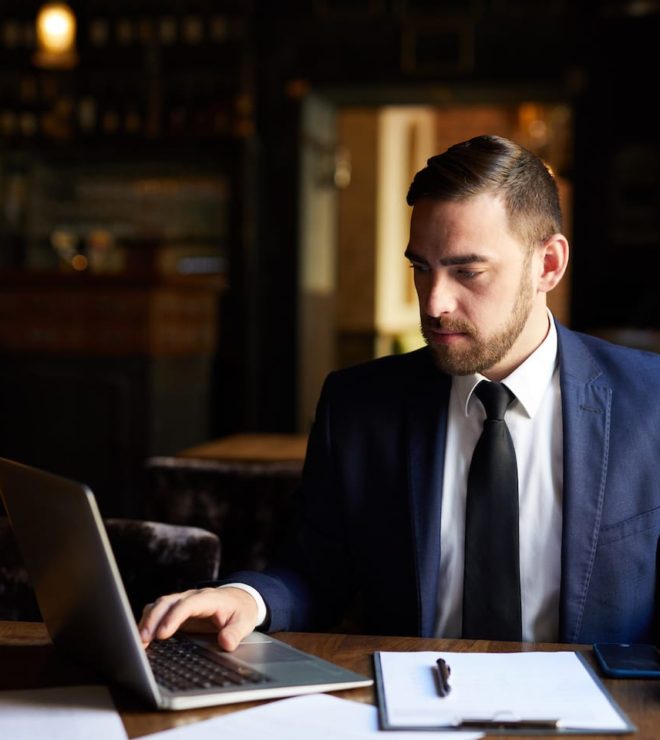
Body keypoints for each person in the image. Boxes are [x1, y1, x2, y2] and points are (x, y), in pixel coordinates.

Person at [139, 134, 660, 651]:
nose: (434, 303)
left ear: (547, 265)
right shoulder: (359, 406)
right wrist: (246, 598)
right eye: (421, 268)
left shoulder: (649, 402)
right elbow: (313, 571)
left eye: (468, 271)